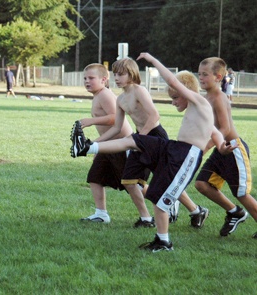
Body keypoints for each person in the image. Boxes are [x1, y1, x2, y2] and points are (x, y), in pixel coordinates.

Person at [71, 53, 235, 251]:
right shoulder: (193, 108)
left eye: (175, 97)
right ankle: (88, 148)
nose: (172, 102)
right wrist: (220, 146)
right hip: (173, 147)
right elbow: (214, 131)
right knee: (133, 145)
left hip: (181, 150)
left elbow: (173, 84)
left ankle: (168, 235)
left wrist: (152, 60)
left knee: (161, 195)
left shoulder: (198, 102)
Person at [91, 57, 203, 228]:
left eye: (121, 74)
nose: (117, 78)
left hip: (155, 136)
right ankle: (146, 218)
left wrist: (139, 139)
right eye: (115, 74)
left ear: (132, 74)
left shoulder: (139, 91)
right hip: (140, 138)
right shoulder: (120, 100)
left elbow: (154, 116)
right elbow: (116, 128)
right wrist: (93, 143)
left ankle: (196, 210)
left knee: (166, 179)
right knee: (128, 180)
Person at [195, 58, 257, 239]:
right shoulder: (206, 97)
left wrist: (205, 147)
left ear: (218, 77)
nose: (201, 78)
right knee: (202, 184)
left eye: (205, 74)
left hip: (233, 149)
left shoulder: (220, 98)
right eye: (199, 74)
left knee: (241, 193)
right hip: (221, 149)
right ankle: (235, 212)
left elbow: (225, 129)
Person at [78, 63, 133, 223]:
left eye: (91, 78)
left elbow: (115, 118)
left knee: (133, 185)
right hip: (107, 146)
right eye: (85, 78)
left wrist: (91, 121)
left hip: (121, 145)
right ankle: (101, 213)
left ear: (104, 79)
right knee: (95, 177)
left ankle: (166, 203)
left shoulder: (105, 94)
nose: (87, 81)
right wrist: (98, 147)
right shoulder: (98, 95)